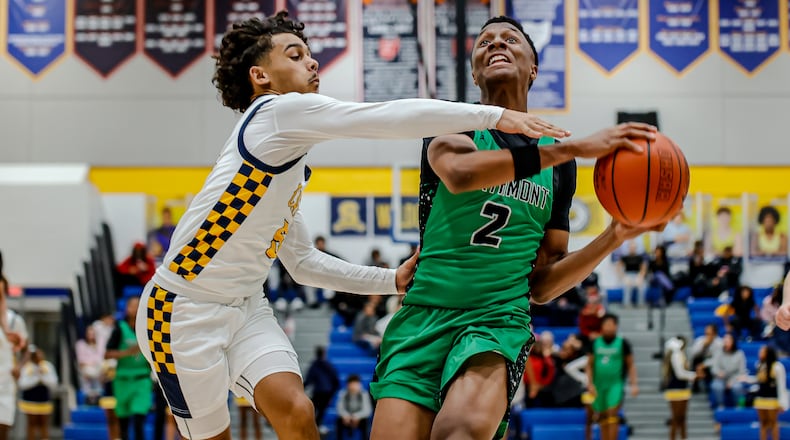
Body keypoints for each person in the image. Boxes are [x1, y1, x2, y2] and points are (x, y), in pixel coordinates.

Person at [134, 10, 577, 440]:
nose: (311, 62)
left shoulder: (288, 160)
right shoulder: (273, 113)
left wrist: (392, 279)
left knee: (298, 412)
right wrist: (493, 116)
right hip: (181, 309)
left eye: (309, 54)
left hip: (246, 305)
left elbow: (303, 263)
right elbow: (378, 118)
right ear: (260, 77)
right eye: (294, 55)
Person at [370, 16, 659, 440]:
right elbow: (461, 173)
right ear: (473, 71)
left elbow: (542, 285)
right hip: (422, 318)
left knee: (460, 433)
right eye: (484, 42)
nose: (495, 43)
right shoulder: (452, 122)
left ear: (533, 67)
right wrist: (572, 149)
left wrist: (613, 236)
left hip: (496, 320)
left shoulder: (560, 167)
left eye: (509, 39)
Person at [586, 314, 638, 440]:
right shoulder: (595, 343)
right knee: (602, 415)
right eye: (606, 324)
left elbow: (630, 365)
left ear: (616, 326)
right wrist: (590, 384)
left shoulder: (622, 343)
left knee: (612, 413)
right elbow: (589, 365)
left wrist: (634, 384)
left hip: (615, 384)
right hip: (599, 384)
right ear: (602, 326)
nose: (609, 327)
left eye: (611, 324)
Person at [107, 297, 151, 440]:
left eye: (138, 305)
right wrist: (127, 353)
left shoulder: (148, 327)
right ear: (127, 308)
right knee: (124, 424)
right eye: (132, 306)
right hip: (122, 379)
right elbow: (107, 354)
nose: (135, 308)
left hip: (142, 379)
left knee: (139, 420)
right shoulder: (119, 328)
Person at [17, 345, 58, 440]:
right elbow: (22, 384)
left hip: (44, 399)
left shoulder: (47, 366)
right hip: (30, 400)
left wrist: (42, 376)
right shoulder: (27, 367)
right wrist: (36, 378)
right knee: (31, 424)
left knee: (44, 424)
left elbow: (54, 382)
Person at [661, 337, 698, 440]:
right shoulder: (676, 354)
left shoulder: (678, 354)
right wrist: (694, 376)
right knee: (676, 418)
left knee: (681, 418)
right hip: (676, 389)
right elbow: (680, 373)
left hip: (681, 388)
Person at [749, 346, 788, 440]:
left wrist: (783, 403)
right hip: (760, 398)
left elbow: (781, 385)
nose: (760, 353)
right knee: (763, 424)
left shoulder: (777, 366)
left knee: (773, 423)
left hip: (772, 399)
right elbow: (758, 380)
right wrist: (747, 379)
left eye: (762, 351)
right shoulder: (759, 365)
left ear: (768, 353)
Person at [0, 306, 27, 440]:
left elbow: (26, 349)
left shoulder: (14, 320)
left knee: (3, 428)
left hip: (6, 381)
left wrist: (19, 367)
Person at [303, 346, 340, 434]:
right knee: (321, 410)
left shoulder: (314, 365)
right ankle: (316, 426)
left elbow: (309, 379)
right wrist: (333, 392)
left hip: (318, 392)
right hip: (327, 392)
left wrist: (301, 388)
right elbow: (335, 379)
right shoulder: (329, 365)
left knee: (314, 410)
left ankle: (314, 427)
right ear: (324, 353)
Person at [710, 333, 747, 409]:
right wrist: (718, 373)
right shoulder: (718, 352)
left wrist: (732, 381)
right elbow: (714, 368)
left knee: (737, 387)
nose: (726, 342)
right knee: (716, 386)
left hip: (735, 378)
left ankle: (739, 406)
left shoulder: (739, 354)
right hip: (721, 378)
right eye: (725, 340)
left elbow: (742, 372)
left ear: (733, 342)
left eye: (728, 340)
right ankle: (720, 406)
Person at [75, 325, 106, 405]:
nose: (91, 336)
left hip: (98, 371)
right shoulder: (80, 344)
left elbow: (101, 357)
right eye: (89, 334)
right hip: (87, 371)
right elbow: (81, 361)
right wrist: (93, 363)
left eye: (93, 334)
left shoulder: (100, 344)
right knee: (90, 372)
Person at [335, 375, 372, 440]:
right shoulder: (343, 394)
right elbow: (339, 408)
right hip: (346, 419)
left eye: (356, 384)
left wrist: (356, 416)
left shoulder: (364, 394)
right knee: (338, 421)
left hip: (359, 419)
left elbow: (367, 410)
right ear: (348, 385)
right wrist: (346, 416)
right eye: (352, 384)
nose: (353, 386)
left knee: (366, 422)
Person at [690, 324, 722, 393]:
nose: (707, 336)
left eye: (710, 334)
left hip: (712, 364)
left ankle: (709, 387)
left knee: (710, 366)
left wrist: (704, 365)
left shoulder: (720, 343)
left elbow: (717, 359)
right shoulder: (700, 340)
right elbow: (693, 354)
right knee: (696, 361)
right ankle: (695, 386)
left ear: (715, 334)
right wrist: (703, 346)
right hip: (700, 364)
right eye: (706, 334)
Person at [616, 239, 649, 307]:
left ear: (636, 248)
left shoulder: (639, 257)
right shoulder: (625, 257)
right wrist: (623, 277)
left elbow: (643, 268)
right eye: (631, 247)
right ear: (629, 248)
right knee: (627, 287)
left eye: (634, 247)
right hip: (628, 275)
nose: (632, 249)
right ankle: (626, 303)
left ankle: (641, 303)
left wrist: (641, 276)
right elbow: (618, 267)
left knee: (642, 287)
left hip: (637, 274)